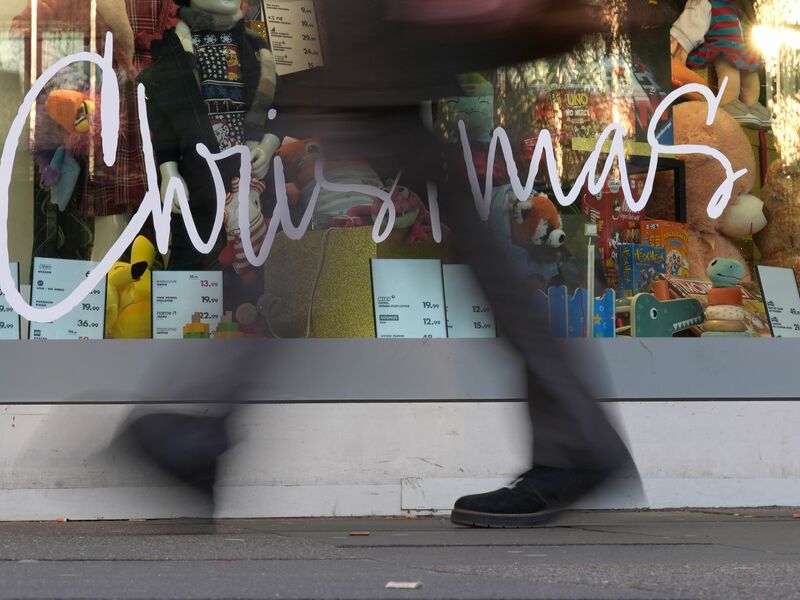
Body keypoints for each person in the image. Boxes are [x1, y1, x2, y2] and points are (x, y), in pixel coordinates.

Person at [123, 0, 639, 527]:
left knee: (429, 215)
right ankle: (577, 434)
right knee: (446, 218)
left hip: (382, 37)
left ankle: (207, 432)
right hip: (376, 39)